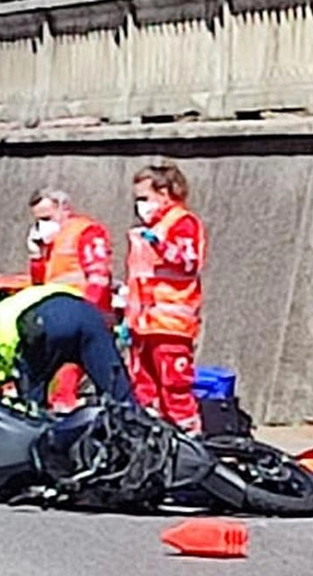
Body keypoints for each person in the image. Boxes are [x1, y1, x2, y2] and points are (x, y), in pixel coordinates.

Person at [0, 282, 133, 409]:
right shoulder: (4, 308)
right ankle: (145, 444)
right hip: (85, 312)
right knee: (117, 389)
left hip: (44, 325)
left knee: (32, 409)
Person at [125, 159, 207, 434]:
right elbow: (140, 280)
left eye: (144, 198)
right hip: (143, 326)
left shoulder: (182, 223)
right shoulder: (148, 230)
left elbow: (188, 263)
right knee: (144, 393)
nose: (140, 206)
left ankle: (194, 446)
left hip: (170, 326)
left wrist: (160, 245)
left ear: (164, 193)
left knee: (175, 392)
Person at [26, 188, 115, 410]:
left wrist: (87, 312)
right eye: (38, 221)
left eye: (46, 218)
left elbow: (99, 277)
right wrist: (37, 257)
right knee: (59, 387)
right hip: (60, 318)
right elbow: (40, 284)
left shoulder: (85, 232)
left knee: (68, 384)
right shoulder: (51, 242)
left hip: (84, 318)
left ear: (63, 208)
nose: (42, 225)